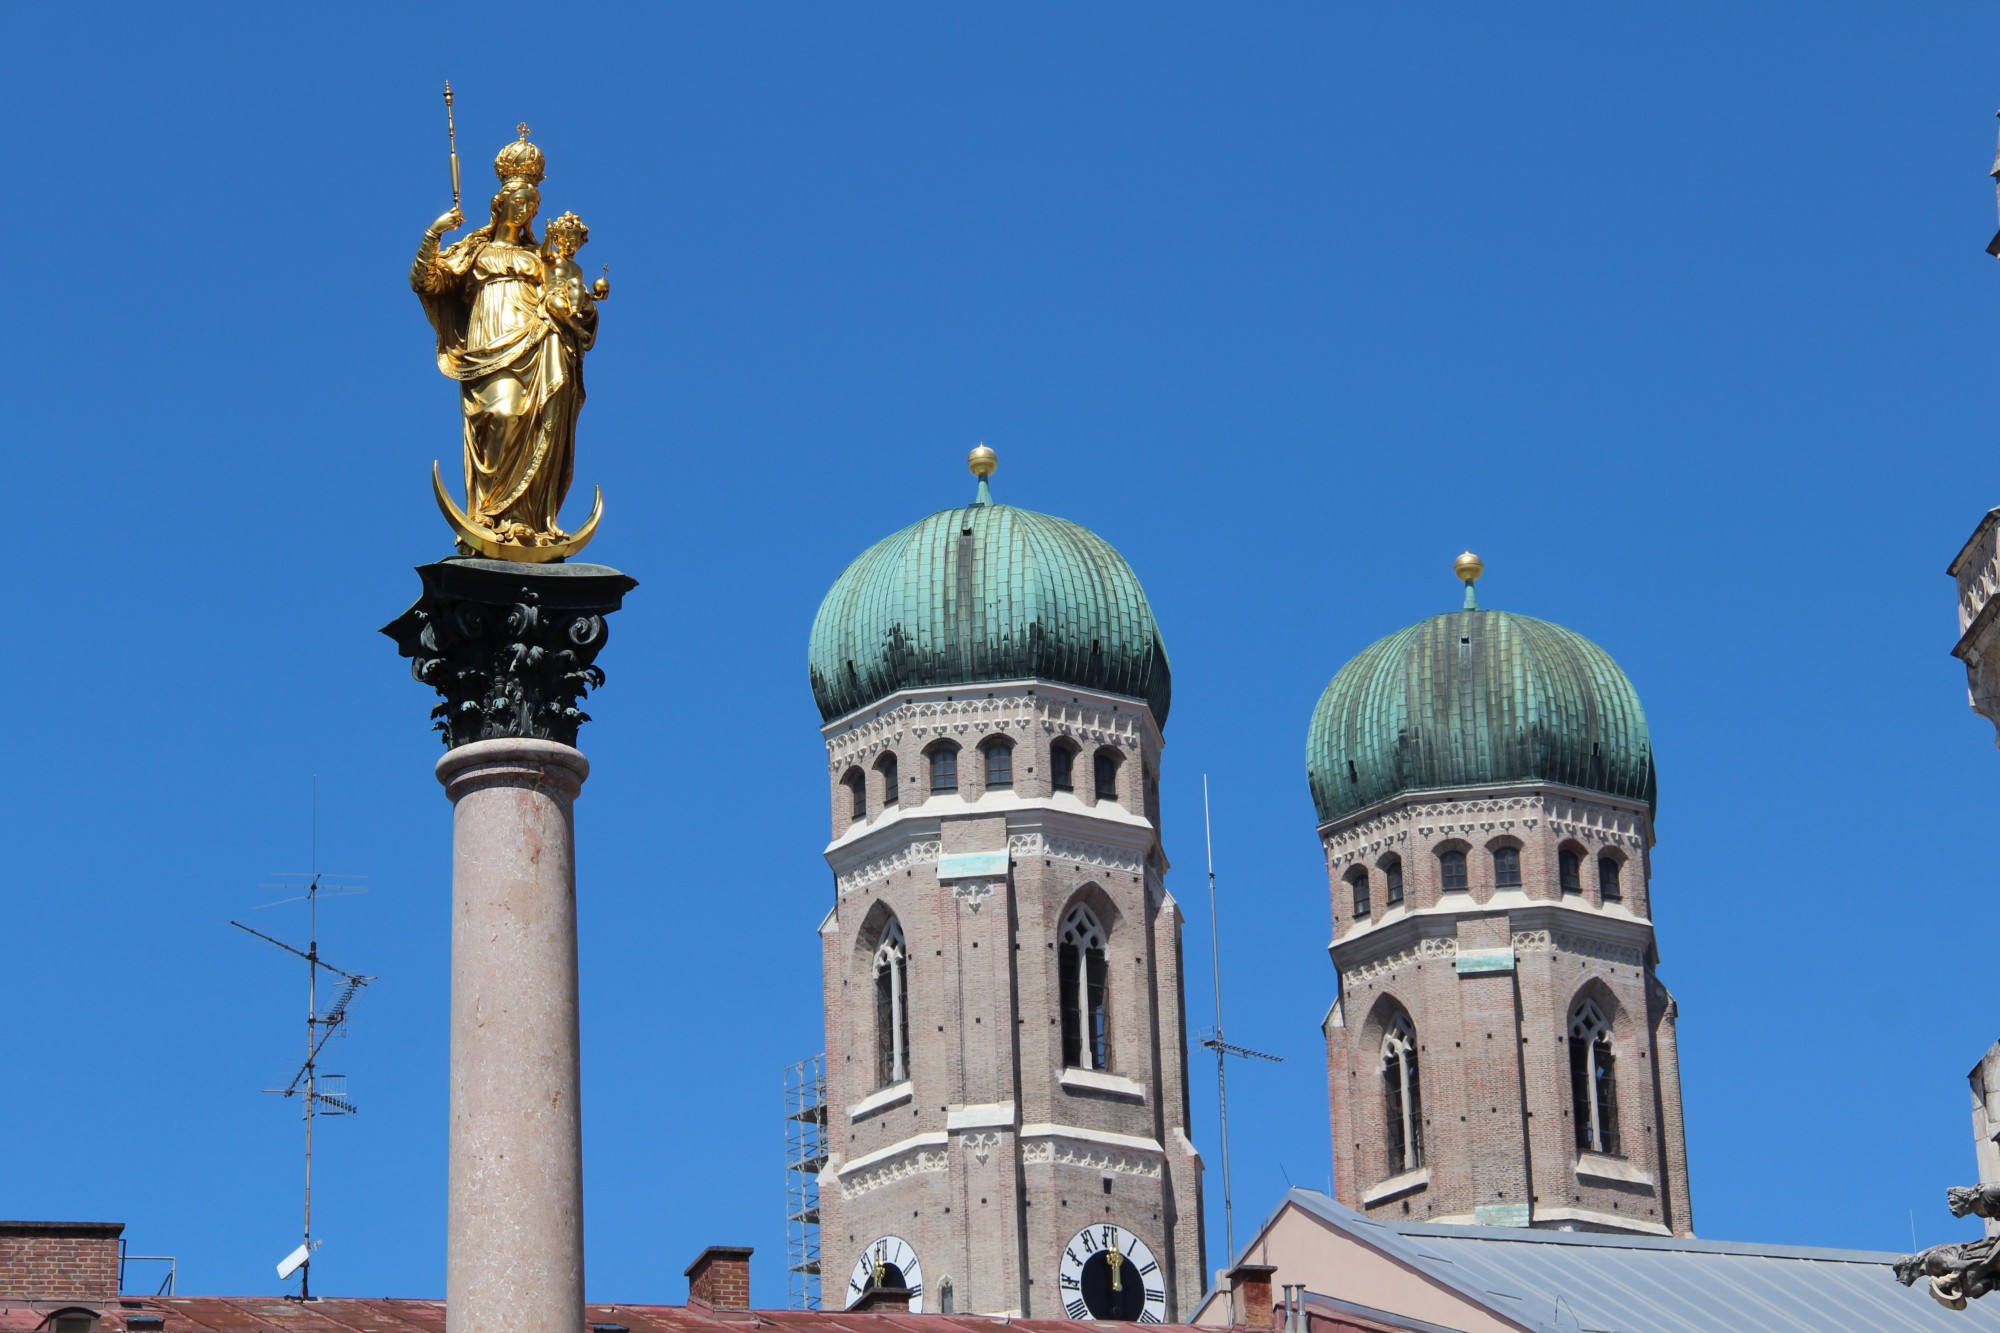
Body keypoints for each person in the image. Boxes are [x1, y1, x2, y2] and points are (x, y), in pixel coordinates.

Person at [410, 129, 598, 548]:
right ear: (500, 205)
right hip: (491, 340)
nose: (524, 210)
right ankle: (491, 513)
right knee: (503, 414)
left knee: (542, 418)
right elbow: (426, 280)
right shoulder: (475, 251)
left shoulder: (540, 259)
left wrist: (582, 306)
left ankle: (527, 522)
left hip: (539, 340)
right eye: (517, 202)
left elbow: (568, 297)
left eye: (531, 205)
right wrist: (433, 235)